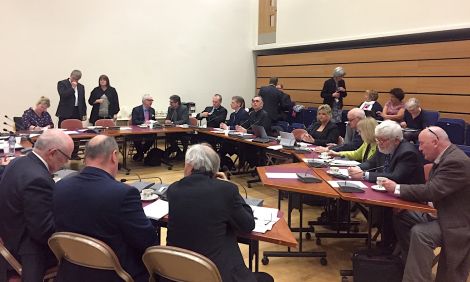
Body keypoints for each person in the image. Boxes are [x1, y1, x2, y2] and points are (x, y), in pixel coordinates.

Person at [53, 135, 157, 282]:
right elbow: (147, 241)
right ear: (114, 156)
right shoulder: (123, 193)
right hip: (115, 274)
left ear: (86, 157)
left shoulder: (60, 186)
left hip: (72, 270)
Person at [166, 144, 272, 282]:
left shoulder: (173, 190)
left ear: (189, 166)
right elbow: (248, 225)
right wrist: (228, 185)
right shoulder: (226, 190)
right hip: (214, 274)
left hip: (178, 271)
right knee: (266, 279)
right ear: (214, 170)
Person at [382, 127, 470, 282]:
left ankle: (415, 278)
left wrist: (396, 188)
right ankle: (407, 264)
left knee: (421, 233)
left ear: (435, 142)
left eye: (422, 143)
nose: (419, 148)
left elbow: (432, 191)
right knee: (402, 215)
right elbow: (436, 192)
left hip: (457, 223)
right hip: (440, 213)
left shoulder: (456, 161)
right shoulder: (445, 157)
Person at [0, 129, 74, 281]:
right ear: (52, 153)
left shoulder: (17, 162)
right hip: (26, 251)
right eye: (66, 157)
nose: (66, 163)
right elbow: (44, 232)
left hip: (9, 235)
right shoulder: (38, 179)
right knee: (82, 252)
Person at [348, 120, 425, 250]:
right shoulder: (384, 146)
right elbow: (371, 163)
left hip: (407, 197)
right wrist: (355, 168)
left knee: (380, 209)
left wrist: (364, 175)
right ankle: (385, 244)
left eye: (383, 140)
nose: (379, 143)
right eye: (377, 139)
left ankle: (388, 247)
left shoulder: (407, 152)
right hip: (387, 193)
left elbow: (396, 177)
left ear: (396, 140)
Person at [321, 67, 347, 135]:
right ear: (336, 75)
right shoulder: (328, 82)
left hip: (338, 106)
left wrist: (343, 90)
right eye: (340, 76)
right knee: (329, 123)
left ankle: (335, 136)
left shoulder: (342, 82)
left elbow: (344, 95)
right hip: (329, 106)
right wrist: (332, 95)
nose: (341, 78)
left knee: (337, 123)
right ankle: (327, 135)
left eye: (342, 76)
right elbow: (322, 94)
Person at [131, 94, 156, 161]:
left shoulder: (152, 110)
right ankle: (140, 153)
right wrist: (144, 122)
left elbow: (154, 120)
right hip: (138, 130)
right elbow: (134, 121)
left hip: (149, 130)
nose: (151, 102)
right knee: (136, 138)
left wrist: (154, 123)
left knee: (154, 136)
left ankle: (141, 152)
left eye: (152, 100)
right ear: (144, 101)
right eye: (149, 100)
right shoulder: (136, 109)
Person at [165, 95, 190, 159]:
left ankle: (183, 153)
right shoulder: (170, 108)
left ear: (177, 103)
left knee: (184, 138)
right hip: (173, 130)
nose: (170, 104)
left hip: (183, 131)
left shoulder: (184, 108)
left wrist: (173, 123)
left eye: (171, 102)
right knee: (168, 135)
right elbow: (168, 118)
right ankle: (179, 152)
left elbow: (184, 120)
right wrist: (167, 120)